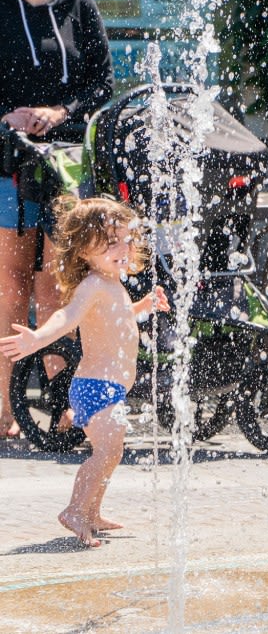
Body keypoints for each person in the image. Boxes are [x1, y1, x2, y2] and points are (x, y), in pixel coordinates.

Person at [0, 198, 168, 547]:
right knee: (105, 453)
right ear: (84, 252)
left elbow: (118, 319)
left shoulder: (112, 284)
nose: (123, 248)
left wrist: (143, 306)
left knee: (112, 452)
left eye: (126, 240)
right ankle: (75, 510)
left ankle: (92, 512)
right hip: (95, 387)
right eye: (110, 244)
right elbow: (67, 318)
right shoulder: (92, 285)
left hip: (110, 389)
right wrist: (38, 338)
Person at [0, 0, 114, 438]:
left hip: (66, 168)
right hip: (7, 164)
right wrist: (9, 115)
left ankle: (60, 408)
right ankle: (5, 408)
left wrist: (60, 111)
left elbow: (102, 83)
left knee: (55, 288)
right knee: (10, 286)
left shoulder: (79, 5)